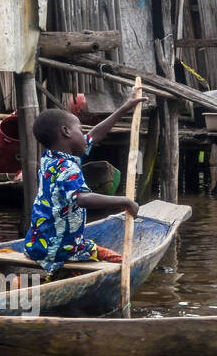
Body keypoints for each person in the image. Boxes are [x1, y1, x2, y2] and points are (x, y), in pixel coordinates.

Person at [23, 92, 147, 279]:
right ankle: (57, 275)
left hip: (36, 246)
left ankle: (56, 274)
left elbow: (94, 136)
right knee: (121, 262)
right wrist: (125, 201)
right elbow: (82, 199)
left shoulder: (50, 159)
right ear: (66, 132)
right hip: (62, 250)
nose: (84, 135)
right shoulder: (67, 168)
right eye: (80, 130)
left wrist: (124, 108)